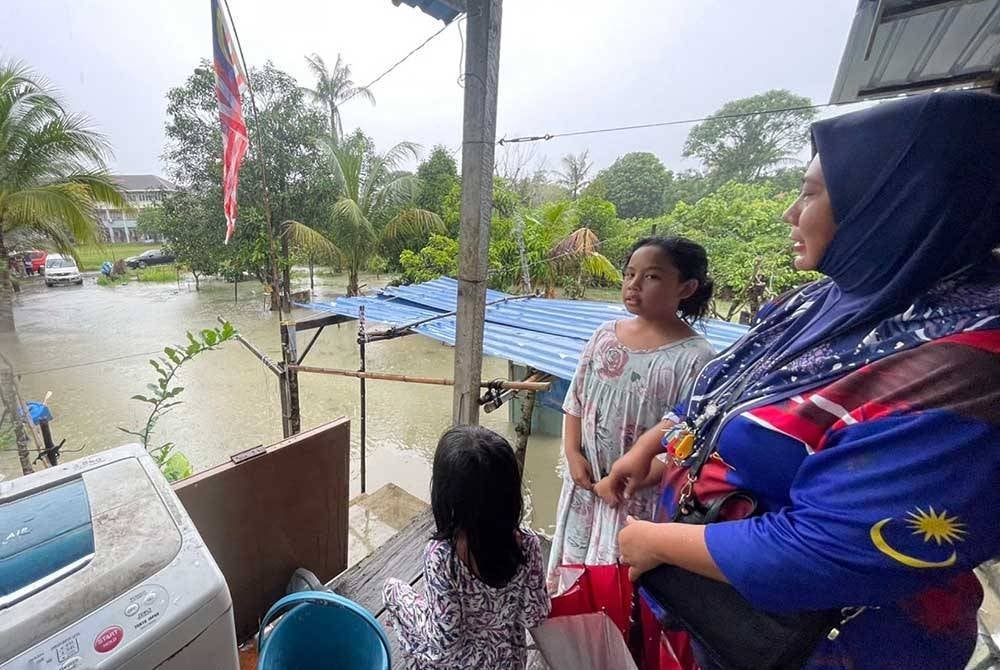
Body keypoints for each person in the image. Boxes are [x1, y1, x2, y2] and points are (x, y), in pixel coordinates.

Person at [604, 91, 1000, 669]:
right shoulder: (824, 303)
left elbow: (830, 549)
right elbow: (726, 391)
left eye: (811, 193)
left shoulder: (966, 369)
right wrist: (659, 450)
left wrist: (656, 541)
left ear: (893, 204)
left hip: (822, 645)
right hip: (710, 615)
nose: (791, 214)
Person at [547, 236, 716, 583]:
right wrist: (572, 453)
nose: (634, 284)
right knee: (571, 576)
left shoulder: (697, 358)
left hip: (635, 497)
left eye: (651, 276)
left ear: (686, 288)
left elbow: (684, 444)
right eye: (629, 274)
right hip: (584, 484)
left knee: (616, 582)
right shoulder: (604, 335)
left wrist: (629, 479)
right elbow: (576, 400)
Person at [382, 425, 550, 669]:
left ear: (445, 495)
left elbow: (444, 642)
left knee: (392, 589)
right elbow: (535, 615)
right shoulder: (528, 544)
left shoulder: (442, 557)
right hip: (508, 663)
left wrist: (397, 596)